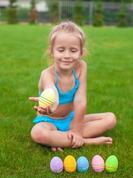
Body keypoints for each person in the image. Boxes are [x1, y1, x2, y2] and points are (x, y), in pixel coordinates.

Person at [29, 21, 116, 152]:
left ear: (81, 52)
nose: (67, 55)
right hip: (49, 121)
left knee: (110, 118)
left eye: (73, 50)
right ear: (51, 51)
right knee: (38, 133)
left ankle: (62, 139)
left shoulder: (81, 67)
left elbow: (80, 101)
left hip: (71, 119)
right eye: (61, 50)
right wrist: (50, 108)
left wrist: (77, 130)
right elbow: (52, 92)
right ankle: (86, 141)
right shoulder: (47, 74)